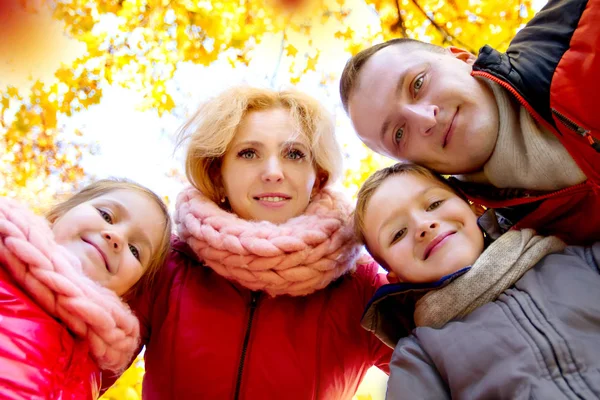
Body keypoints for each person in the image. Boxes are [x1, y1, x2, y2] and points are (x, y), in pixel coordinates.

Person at [100, 86, 393, 399]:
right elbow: (80, 365)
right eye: (249, 153)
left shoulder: (361, 287)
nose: (272, 172)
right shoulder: (167, 266)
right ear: (218, 174)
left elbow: (444, 362)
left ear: (317, 177)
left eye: (294, 154)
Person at [339, 0, 600, 245]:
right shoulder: (513, 246)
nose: (425, 119)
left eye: (418, 83)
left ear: (462, 58)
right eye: (398, 134)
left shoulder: (584, 22)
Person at [353, 162, 600, 399]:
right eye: (398, 233)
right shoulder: (421, 354)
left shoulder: (578, 258)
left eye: (434, 203)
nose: (423, 226)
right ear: (396, 278)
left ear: (475, 209)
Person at [0, 179, 172, 399]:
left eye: (135, 250)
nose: (117, 237)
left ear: (129, 293)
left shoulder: (94, 366)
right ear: (57, 216)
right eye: (106, 215)